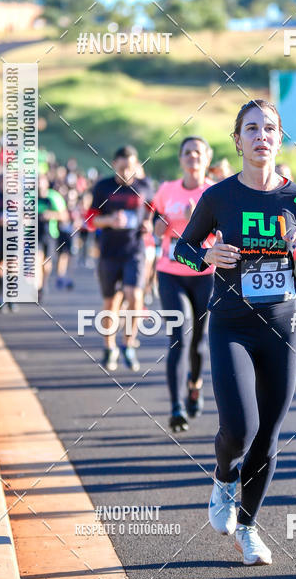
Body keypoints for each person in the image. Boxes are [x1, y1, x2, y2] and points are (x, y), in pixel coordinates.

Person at [174, 99, 296, 565]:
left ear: (280, 139)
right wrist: (206, 259)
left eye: (270, 129)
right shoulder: (219, 196)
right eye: (252, 128)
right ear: (238, 140)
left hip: (282, 326)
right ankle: (223, 477)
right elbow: (182, 249)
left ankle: (248, 528)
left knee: (269, 435)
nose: (262, 136)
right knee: (240, 428)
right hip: (232, 326)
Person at [152, 137, 215, 432]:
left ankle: (195, 384)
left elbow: (224, 235)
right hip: (171, 272)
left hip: (205, 274)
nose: (192, 157)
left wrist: (196, 222)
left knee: (199, 342)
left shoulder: (214, 192)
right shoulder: (167, 190)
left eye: (198, 153)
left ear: (206, 158)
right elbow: (154, 225)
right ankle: (176, 406)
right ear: (181, 159)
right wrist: (161, 226)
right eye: (187, 152)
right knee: (179, 336)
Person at [88, 146, 154, 373]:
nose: (127, 171)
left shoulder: (144, 186)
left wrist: (148, 224)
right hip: (108, 251)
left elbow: (152, 211)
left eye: (131, 167)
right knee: (111, 303)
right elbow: (90, 221)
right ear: (114, 164)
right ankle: (109, 347)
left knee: (135, 295)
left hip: (134, 250)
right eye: (123, 166)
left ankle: (128, 344)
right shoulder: (103, 187)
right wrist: (109, 221)